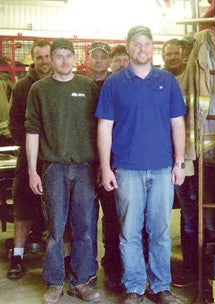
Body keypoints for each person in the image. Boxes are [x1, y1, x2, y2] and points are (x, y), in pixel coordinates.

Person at [96, 25, 186, 304]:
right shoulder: (114, 83)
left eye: (147, 43)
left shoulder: (167, 81)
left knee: (159, 232)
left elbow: (177, 124)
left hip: (162, 169)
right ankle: (134, 286)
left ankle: (161, 287)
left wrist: (179, 162)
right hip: (127, 169)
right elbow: (104, 127)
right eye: (137, 43)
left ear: (153, 47)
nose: (143, 48)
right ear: (129, 46)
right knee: (129, 232)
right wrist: (106, 167)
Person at [25, 38, 101, 304]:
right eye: (59, 56)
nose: (65, 60)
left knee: (85, 228)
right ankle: (55, 281)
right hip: (53, 168)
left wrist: (102, 165)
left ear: (75, 58)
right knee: (55, 229)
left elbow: (100, 128)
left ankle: (82, 282)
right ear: (52, 58)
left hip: (85, 169)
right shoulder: (39, 89)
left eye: (69, 55)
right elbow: (32, 131)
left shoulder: (88, 87)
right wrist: (33, 171)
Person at [7, 39, 51, 280]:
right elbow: (15, 123)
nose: (44, 61)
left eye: (47, 56)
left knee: (58, 212)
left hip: (55, 160)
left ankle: (61, 258)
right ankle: (18, 256)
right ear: (33, 59)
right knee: (23, 209)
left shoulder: (60, 84)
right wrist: (33, 148)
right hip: (28, 160)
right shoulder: (23, 87)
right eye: (40, 57)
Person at [161, 37, 198, 288]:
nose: (173, 57)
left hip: (185, 159)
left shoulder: (190, 79)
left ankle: (191, 268)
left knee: (189, 217)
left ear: (184, 55)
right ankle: (159, 269)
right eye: (169, 54)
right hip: (159, 158)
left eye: (177, 53)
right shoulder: (157, 80)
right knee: (158, 218)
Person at [87, 40, 124, 291]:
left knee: (113, 219)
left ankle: (113, 269)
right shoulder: (80, 86)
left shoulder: (116, 86)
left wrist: (106, 163)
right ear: (88, 59)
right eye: (95, 56)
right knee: (84, 220)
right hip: (84, 163)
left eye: (103, 56)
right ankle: (85, 269)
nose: (99, 60)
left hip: (111, 164)